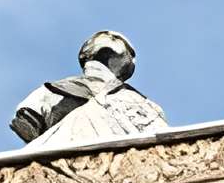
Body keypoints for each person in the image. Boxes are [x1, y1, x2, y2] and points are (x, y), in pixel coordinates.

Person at [12, 31, 168, 149]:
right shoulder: (53, 91)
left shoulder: (138, 101)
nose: (111, 36)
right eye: (109, 37)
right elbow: (25, 124)